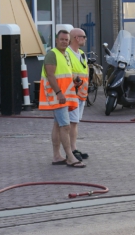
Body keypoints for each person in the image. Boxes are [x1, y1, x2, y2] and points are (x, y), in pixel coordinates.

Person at [38, 30, 85, 168]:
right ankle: (70, 157)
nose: (64, 42)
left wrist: (75, 81)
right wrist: (59, 93)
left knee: (58, 125)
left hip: (64, 96)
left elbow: (65, 74)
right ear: (56, 40)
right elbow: (50, 75)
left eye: (66, 40)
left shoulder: (66, 55)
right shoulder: (52, 54)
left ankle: (57, 156)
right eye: (62, 39)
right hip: (58, 96)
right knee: (65, 126)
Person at [67, 28, 89, 162]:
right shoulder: (67, 54)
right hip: (72, 93)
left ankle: (73, 148)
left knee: (75, 123)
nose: (85, 39)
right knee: (71, 123)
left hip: (81, 94)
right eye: (84, 36)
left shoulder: (81, 54)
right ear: (76, 38)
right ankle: (71, 150)